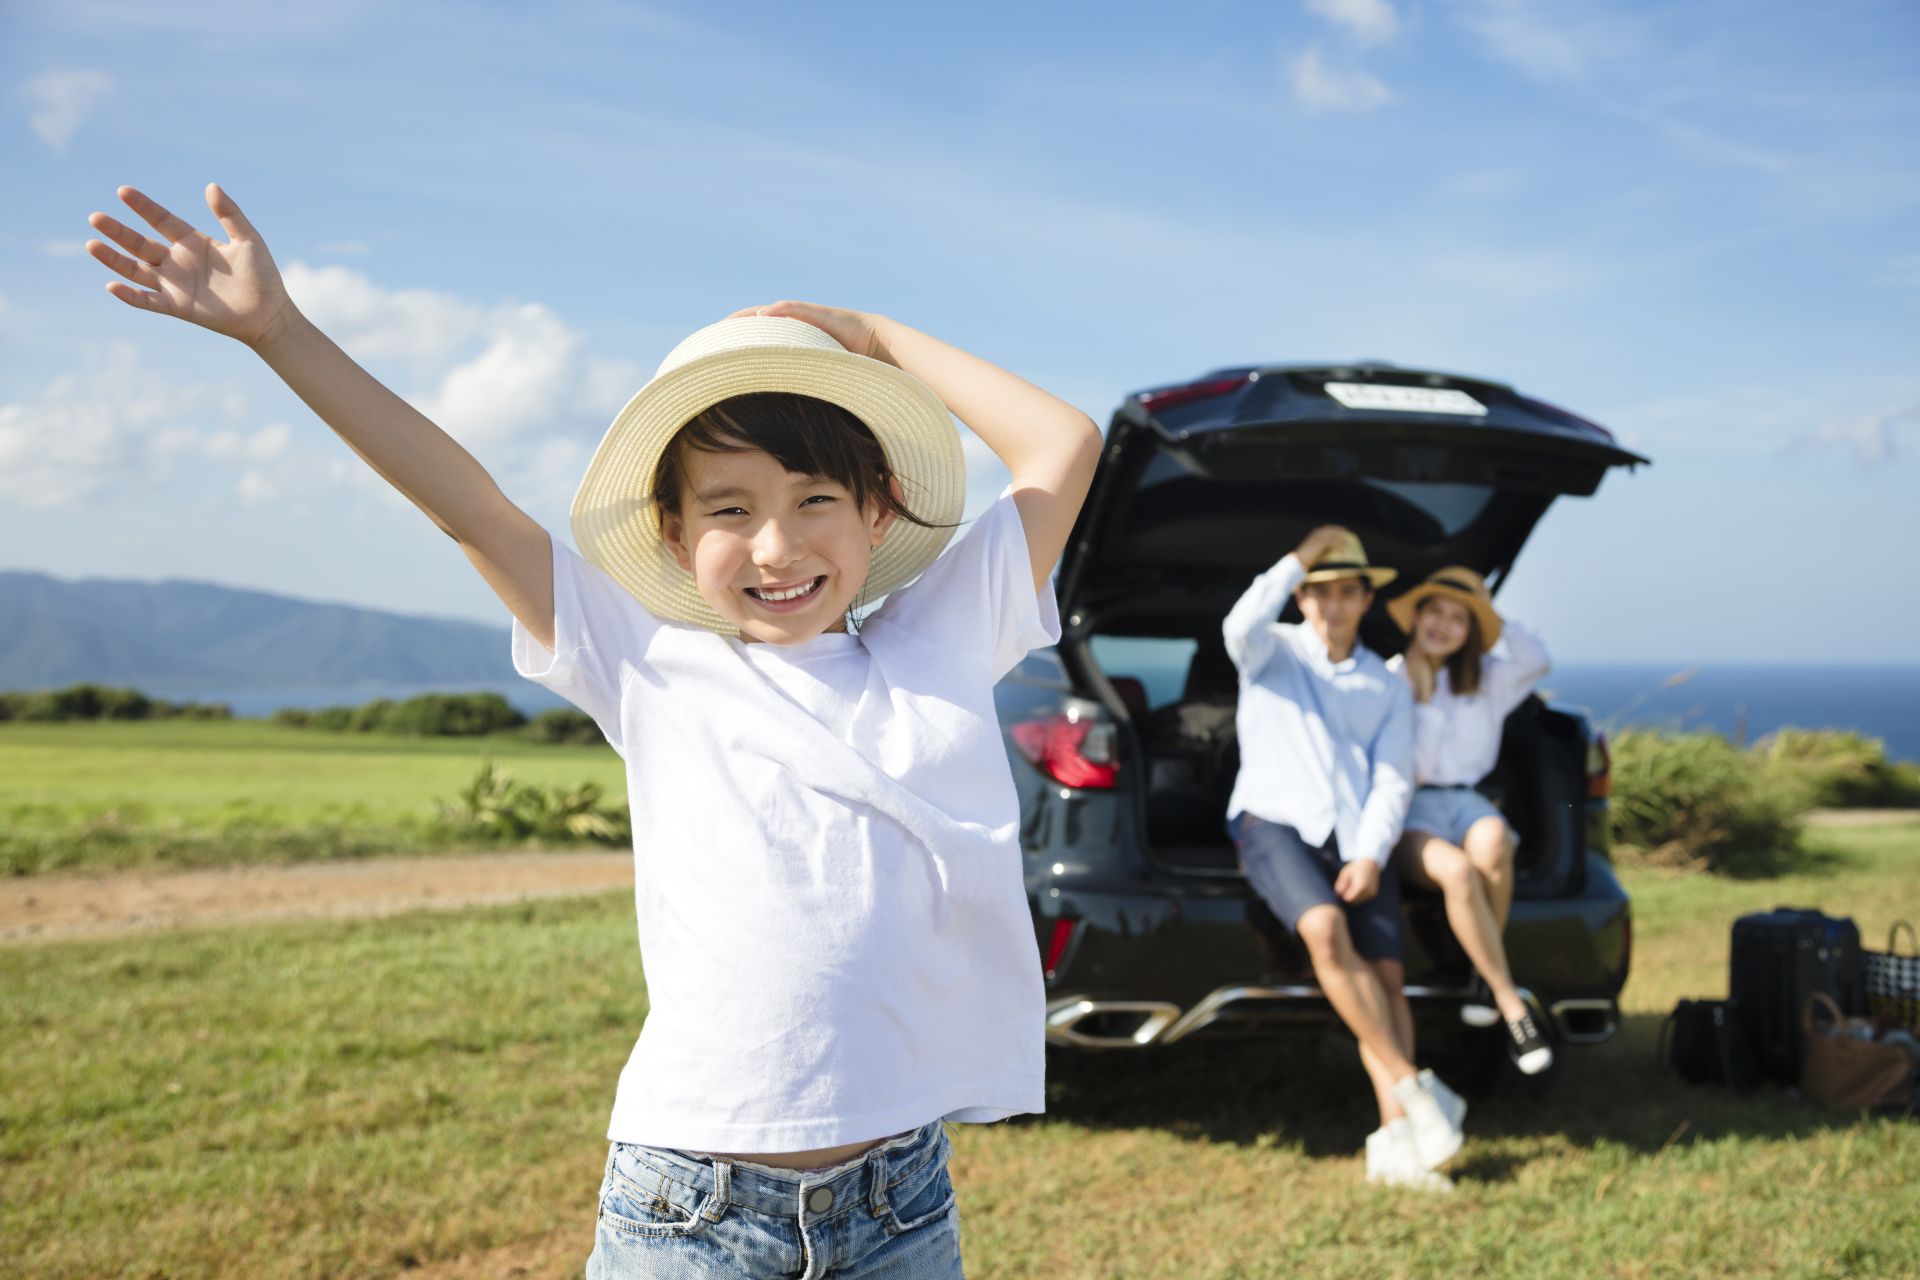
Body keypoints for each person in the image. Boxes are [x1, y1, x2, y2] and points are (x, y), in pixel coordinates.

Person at [84, 184, 1102, 1278]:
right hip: (694, 1208)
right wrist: (280, 331)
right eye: (729, 507)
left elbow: (1063, 439)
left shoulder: (937, 642)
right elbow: (469, 505)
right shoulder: (650, 659)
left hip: (897, 1198)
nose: (775, 544)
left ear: (879, 512)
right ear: (672, 530)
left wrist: (874, 337)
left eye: (816, 499)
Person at [1224, 524, 1465, 1192]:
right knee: (1325, 930)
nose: (1331, 605)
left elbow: (1392, 779)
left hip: (1357, 840)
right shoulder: (1267, 649)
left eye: (1345, 593)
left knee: (1388, 980)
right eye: (1318, 591)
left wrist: (1369, 854)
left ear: (1365, 600)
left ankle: (1396, 1149)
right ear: (1302, 597)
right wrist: (1298, 554)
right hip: (1272, 822)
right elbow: (1240, 619)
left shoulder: (1383, 684)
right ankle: (1416, 1095)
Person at [1386, 566, 1555, 1076]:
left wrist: (1487, 608)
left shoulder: (1488, 679)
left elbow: (1538, 658)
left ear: (1473, 630)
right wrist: (1421, 694)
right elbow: (1408, 768)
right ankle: (1510, 1003)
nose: (1442, 625)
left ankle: (1483, 976)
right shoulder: (1391, 676)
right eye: (1434, 611)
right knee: (1457, 871)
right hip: (1412, 806)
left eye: (1458, 618)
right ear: (1415, 617)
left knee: (1493, 841)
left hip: (1471, 802)